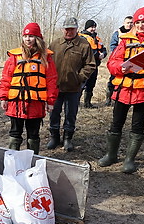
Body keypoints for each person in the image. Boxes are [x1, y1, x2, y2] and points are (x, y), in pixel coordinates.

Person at [98, 7, 144, 174]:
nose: (141, 25)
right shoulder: (125, 40)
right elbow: (112, 63)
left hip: (143, 91)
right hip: (123, 90)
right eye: (138, 22)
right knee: (116, 123)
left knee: (137, 126)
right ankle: (111, 155)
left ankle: (129, 160)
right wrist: (121, 67)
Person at [0, 23, 58, 154]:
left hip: (35, 103)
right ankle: (12, 160)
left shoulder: (46, 58)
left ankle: (32, 161)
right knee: (15, 133)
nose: (28, 39)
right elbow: (6, 78)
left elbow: (52, 80)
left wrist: (51, 101)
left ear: (37, 38)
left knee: (33, 134)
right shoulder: (14, 57)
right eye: (25, 36)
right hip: (16, 103)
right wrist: (3, 97)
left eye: (31, 36)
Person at [47, 17, 96, 152]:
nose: (69, 31)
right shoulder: (55, 44)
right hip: (56, 87)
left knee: (71, 113)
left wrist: (79, 78)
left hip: (74, 87)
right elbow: (47, 63)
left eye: (72, 29)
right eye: (66, 29)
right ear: (63, 29)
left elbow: (90, 65)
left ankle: (68, 138)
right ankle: (54, 136)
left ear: (77, 29)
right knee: (54, 112)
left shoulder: (84, 45)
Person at [79, 19, 108, 108]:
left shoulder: (97, 38)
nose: (93, 29)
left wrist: (103, 54)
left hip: (95, 65)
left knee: (91, 84)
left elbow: (103, 49)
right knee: (82, 84)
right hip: (85, 65)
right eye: (91, 27)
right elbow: (86, 51)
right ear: (87, 27)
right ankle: (75, 102)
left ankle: (87, 103)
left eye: (94, 27)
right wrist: (97, 55)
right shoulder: (82, 37)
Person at [106, 16, 133, 106]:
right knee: (113, 80)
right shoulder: (117, 33)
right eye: (128, 22)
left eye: (131, 23)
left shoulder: (134, 34)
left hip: (131, 62)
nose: (129, 24)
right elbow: (112, 46)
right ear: (124, 23)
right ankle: (109, 99)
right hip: (118, 61)